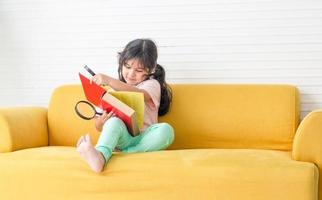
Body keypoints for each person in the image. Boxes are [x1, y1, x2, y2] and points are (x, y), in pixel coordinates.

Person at [76, 39, 175, 173]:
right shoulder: (111, 92)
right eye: (127, 67)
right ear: (121, 63)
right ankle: (99, 155)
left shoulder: (152, 85)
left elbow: (139, 94)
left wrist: (110, 80)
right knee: (114, 123)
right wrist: (101, 123)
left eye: (139, 70)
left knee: (166, 131)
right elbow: (99, 127)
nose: (131, 74)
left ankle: (126, 153)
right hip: (124, 139)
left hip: (145, 138)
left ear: (151, 70)